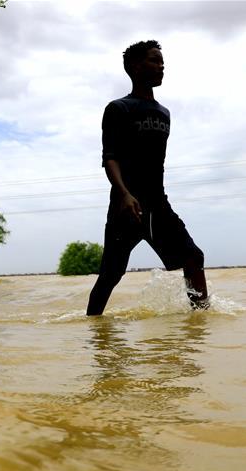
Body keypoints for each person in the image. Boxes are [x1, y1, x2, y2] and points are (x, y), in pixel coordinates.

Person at [87, 40, 208, 316]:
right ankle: (93, 329)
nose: (161, 66)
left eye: (162, 61)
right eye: (154, 60)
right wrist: (123, 193)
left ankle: (200, 323)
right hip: (126, 207)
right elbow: (110, 157)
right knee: (111, 274)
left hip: (158, 204)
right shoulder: (118, 108)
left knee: (193, 257)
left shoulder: (164, 113)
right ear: (134, 66)